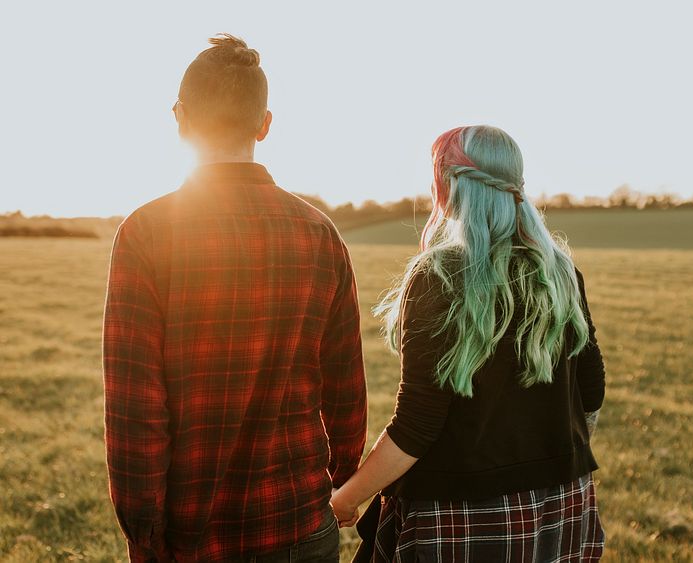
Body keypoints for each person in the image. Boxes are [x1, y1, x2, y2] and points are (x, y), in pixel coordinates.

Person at [102, 34, 367, 562]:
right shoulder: (319, 234)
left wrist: (144, 532)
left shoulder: (147, 232)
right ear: (265, 124)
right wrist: (337, 484)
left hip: (189, 533)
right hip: (299, 522)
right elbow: (345, 390)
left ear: (179, 117)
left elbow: (135, 406)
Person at [331, 126, 606, 562]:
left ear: (446, 185)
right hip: (562, 503)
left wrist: (347, 497)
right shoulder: (560, 274)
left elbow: (417, 425)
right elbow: (591, 393)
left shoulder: (438, 275)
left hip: (461, 513)